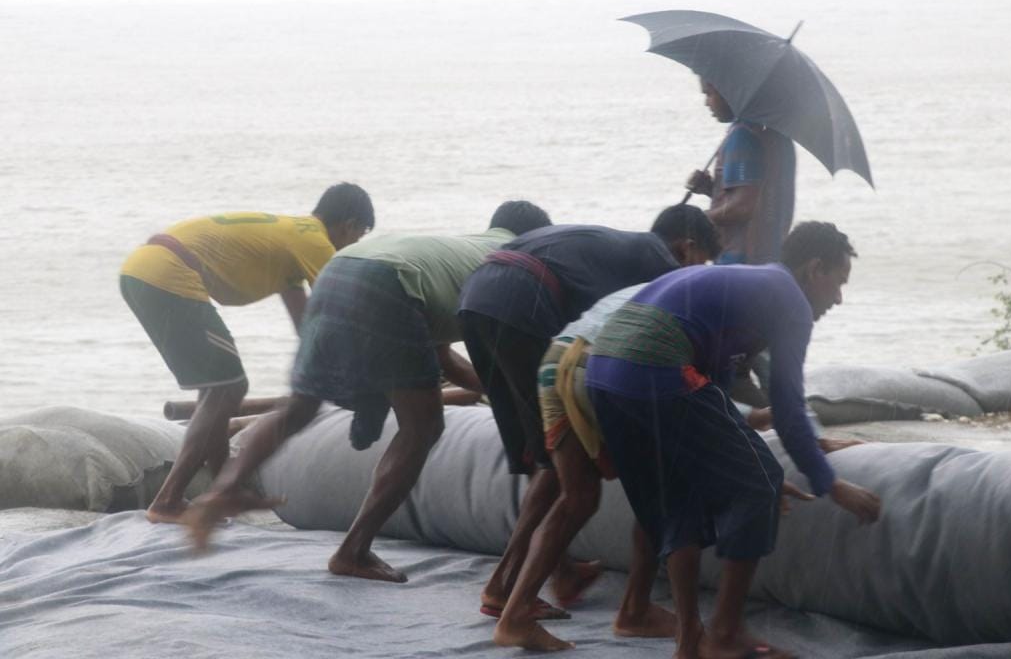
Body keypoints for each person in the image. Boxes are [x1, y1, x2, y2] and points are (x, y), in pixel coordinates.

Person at [182, 200, 552, 583]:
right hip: (387, 283)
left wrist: (490, 388)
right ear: (535, 239)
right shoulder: (511, 263)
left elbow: (444, 358)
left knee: (300, 407)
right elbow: (499, 361)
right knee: (422, 427)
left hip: (341, 271)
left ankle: (223, 488)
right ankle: (353, 551)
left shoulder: (459, 250)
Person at [495, 282, 861, 651]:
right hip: (607, 362)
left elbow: (717, 389)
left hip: (558, 362)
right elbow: (758, 389)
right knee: (677, 485)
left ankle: (516, 611)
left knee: (581, 497)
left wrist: (751, 443)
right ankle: (688, 626)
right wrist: (803, 457)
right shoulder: (733, 307)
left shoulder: (675, 290)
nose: (838, 296)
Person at [586, 221, 883, 659]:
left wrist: (750, 455)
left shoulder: (745, 287)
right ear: (814, 269)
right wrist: (830, 484)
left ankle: (690, 641)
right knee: (761, 480)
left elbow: (716, 398)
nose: (838, 299)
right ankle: (725, 634)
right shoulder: (788, 299)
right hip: (652, 359)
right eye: (838, 283)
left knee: (677, 501)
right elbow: (787, 404)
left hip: (603, 371)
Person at [457, 205, 720, 621]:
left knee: (544, 454)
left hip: (477, 296)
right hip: (523, 298)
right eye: (702, 263)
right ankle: (505, 586)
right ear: (685, 248)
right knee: (564, 460)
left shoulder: (622, 248)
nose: (696, 276)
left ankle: (554, 575)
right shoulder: (660, 260)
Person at [120, 183, 374, 524]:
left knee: (218, 387)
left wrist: (324, 377)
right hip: (169, 272)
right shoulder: (315, 242)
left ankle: (224, 489)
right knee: (228, 388)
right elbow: (344, 310)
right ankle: (168, 500)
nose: (351, 246)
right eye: (356, 237)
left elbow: (308, 325)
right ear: (349, 225)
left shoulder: (291, 240)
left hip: (144, 270)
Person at [685, 78, 796, 266]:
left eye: (709, 93)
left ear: (730, 91)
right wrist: (711, 190)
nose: (706, 102)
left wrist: (697, 220)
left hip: (738, 263)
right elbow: (758, 195)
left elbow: (743, 207)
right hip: (769, 260)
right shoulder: (774, 133)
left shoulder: (743, 136)